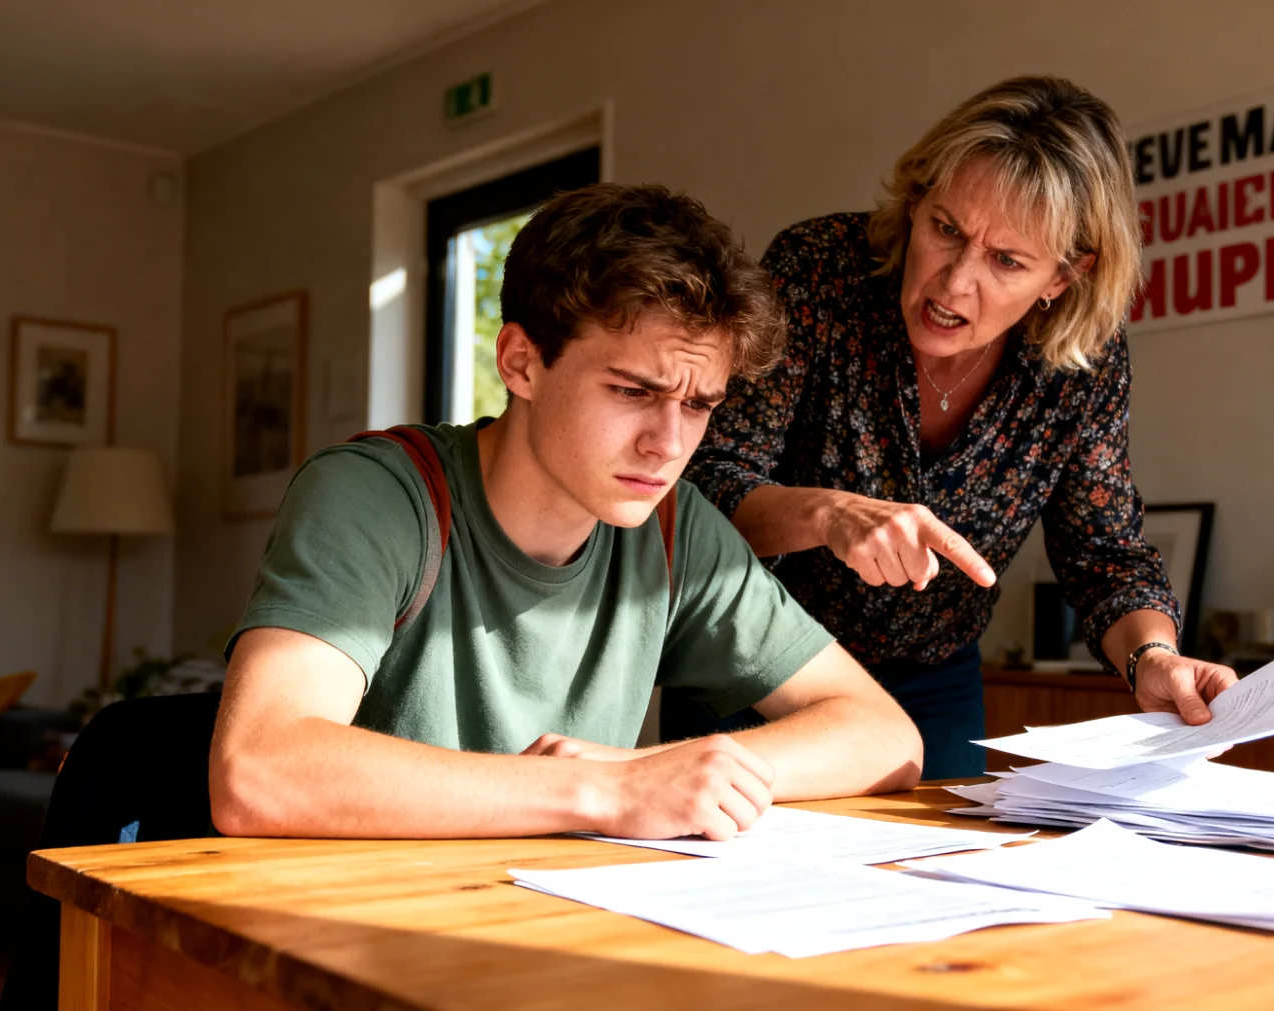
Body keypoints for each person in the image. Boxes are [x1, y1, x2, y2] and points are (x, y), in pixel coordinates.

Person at [210, 183, 922, 841]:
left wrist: (693, 768)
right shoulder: (376, 496)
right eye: (631, 391)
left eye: (699, 404)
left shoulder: (676, 527)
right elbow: (257, 771)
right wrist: (603, 788)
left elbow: (886, 737)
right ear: (520, 363)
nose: (668, 444)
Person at [676, 76, 1239, 779]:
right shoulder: (820, 270)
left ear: (1064, 276)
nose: (954, 282)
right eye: (945, 229)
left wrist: (1150, 655)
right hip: (756, 659)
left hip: (931, 680)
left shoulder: (1081, 362)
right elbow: (705, 483)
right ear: (916, 203)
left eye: (1006, 260)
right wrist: (828, 513)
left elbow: (1104, 554)